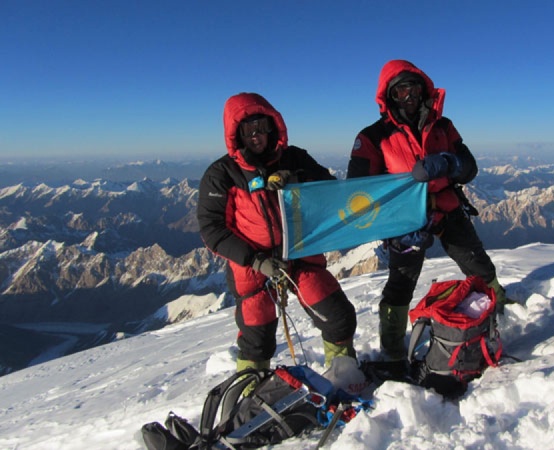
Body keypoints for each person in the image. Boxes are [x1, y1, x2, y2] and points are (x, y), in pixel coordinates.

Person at [347, 60, 508, 363]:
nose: (408, 96)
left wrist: (448, 163)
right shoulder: (372, 137)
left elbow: (469, 167)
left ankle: (500, 311)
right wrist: (398, 218)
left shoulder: (443, 126)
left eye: (413, 88)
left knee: (480, 267)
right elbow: (359, 194)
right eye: (399, 91)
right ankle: (392, 348)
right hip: (406, 218)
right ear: (388, 97)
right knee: (401, 283)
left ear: (424, 89)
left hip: (446, 207)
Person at [198, 92, 357, 375]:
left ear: (274, 126)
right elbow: (212, 229)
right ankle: (250, 393)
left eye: (262, 126)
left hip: (300, 255)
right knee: (257, 338)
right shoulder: (222, 173)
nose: (257, 135)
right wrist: (255, 260)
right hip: (252, 266)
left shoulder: (294, 158)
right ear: (236, 134)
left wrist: (295, 178)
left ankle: (344, 376)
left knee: (338, 317)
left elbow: (330, 189)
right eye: (248, 129)